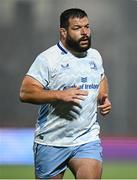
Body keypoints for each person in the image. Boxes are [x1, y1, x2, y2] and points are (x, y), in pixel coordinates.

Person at [19, 8, 111, 179]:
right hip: (52, 141)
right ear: (63, 32)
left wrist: (103, 96)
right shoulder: (48, 59)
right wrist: (59, 95)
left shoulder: (95, 56)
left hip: (86, 139)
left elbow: (101, 77)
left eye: (87, 27)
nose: (84, 33)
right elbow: (25, 92)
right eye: (77, 28)